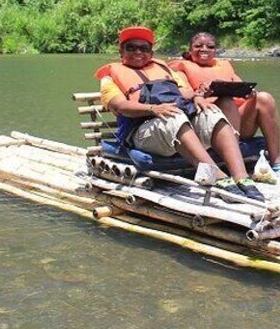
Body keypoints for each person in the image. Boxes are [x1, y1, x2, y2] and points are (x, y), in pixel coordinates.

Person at [95, 26, 265, 200]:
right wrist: (153, 109)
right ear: (121, 51)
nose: (138, 52)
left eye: (144, 48)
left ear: (151, 53)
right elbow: (120, 106)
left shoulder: (165, 70)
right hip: (142, 132)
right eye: (131, 47)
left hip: (175, 121)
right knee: (173, 116)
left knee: (210, 113)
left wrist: (199, 96)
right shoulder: (109, 79)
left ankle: (241, 177)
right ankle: (216, 177)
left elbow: (185, 94)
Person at [169, 32, 280, 179]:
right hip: (206, 125)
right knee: (226, 101)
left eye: (210, 46)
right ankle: (234, 162)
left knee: (265, 98)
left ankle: (276, 163)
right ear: (189, 50)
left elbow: (241, 87)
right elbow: (184, 95)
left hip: (237, 124)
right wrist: (201, 94)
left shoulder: (224, 66)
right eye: (198, 46)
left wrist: (249, 93)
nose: (204, 49)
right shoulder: (180, 68)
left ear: (215, 50)